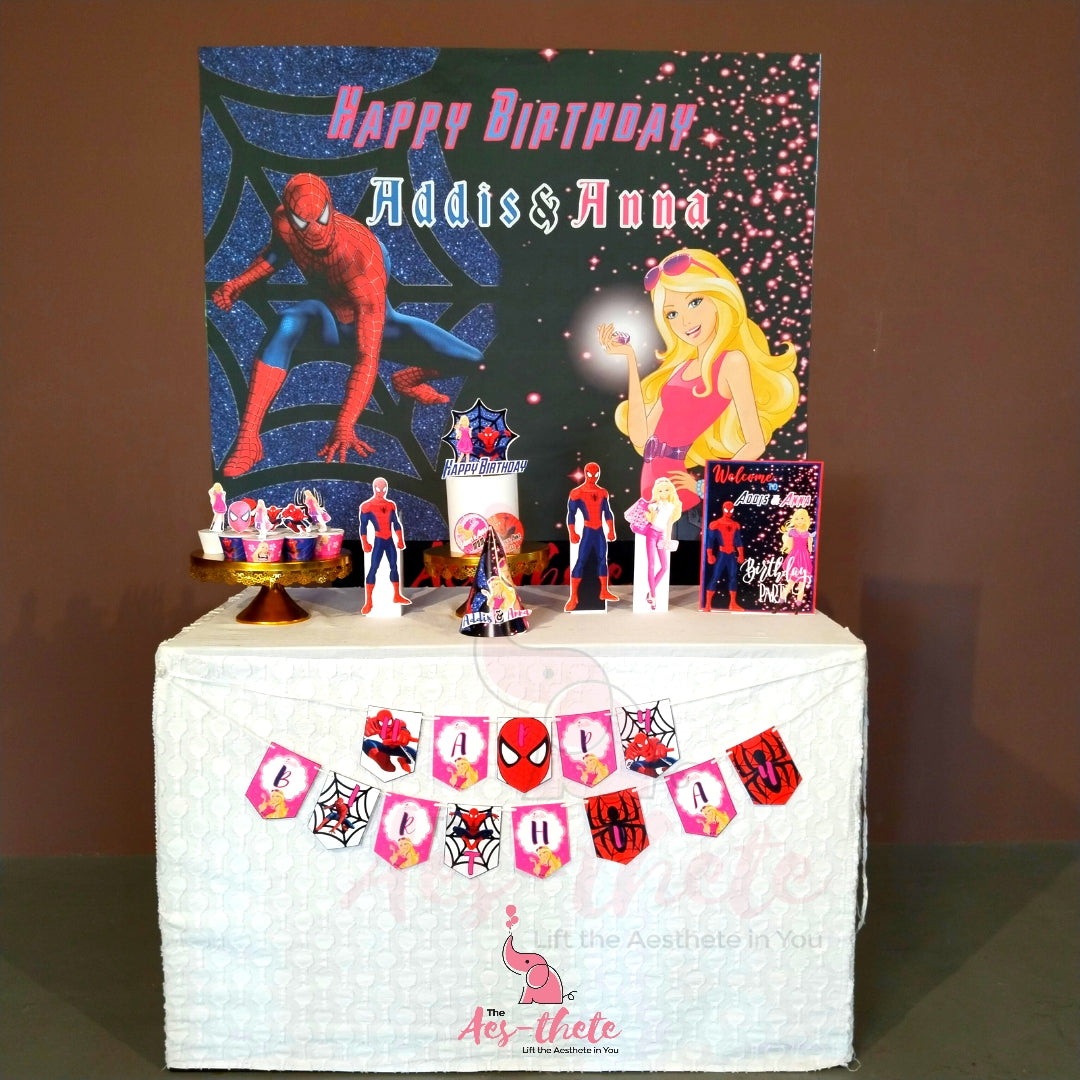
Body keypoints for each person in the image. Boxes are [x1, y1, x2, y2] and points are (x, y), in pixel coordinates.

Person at [211, 172, 482, 478]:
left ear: (331, 206)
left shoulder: (361, 257)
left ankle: (407, 380)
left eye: (321, 218)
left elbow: (367, 357)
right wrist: (239, 283)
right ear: (291, 216)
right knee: (286, 324)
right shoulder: (284, 222)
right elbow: (276, 254)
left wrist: (344, 424)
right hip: (324, 319)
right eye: (303, 223)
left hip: (378, 325)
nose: (315, 232)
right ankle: (248, 438)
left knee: (473, 359)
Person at [599, 248, 798, 512]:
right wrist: (630, 358)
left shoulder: (731, 362)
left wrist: (705, 486)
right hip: (653, 495)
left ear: (719, 297)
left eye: (694, 302)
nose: (685, 321)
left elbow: (755, 443)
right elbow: (642, 436)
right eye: (672, 314)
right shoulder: (681, 368)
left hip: (680, 499)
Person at [564, 461, 619, 611]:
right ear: (585, 473)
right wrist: (572, 532)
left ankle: (604, 591)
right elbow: (571, 514)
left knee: (602, 560)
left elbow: (607, 512)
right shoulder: (577, 493)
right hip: (588, 531)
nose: (593, 476)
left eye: (596, 474)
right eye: (590, 473)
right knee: (580, 562)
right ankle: (573, 596)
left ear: (599, 474)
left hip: (599, 531)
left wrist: (611, 530)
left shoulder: (602, 492)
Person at [358, 476, 410, 614]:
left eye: (383, 489)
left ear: (387, 489)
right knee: (373, 568)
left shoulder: (391, 505)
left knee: (394, 566)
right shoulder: (367, 506)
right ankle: (369, 602)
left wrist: (400, 539)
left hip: (389, 540)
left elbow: (396, 523)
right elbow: (363, 526)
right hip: (379, 540)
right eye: (378, 488)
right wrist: (365, 542)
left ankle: (397, 595)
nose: (381, 491)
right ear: (374, 488)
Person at [643, 477, 682, 609]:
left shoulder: (671, 506)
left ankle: (650, 592)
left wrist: (667, 539)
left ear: (670, 491)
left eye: (666, 490)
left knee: (664, 566)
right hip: (651, 533)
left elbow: (669, 524)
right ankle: (653, 597)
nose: (664, 493)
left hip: (661, 535)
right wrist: (654, 510)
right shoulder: (654, 505)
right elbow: (651, 520)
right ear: (657, 492)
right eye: (661, 491)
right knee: (651, 565)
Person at [703, 500, 745, 611]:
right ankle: (707, 604)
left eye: (731, 509)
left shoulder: (735, 525)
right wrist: (709, 555)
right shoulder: (716, 524)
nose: (729, 511)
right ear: (723, 509)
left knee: (733, 577)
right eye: (727, 509)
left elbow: (738, 541)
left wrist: (741, 554)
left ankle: (732, 604)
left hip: (731, 554)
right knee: (715, 577)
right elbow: (710, 541)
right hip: (722, 554)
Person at [779, 507, 814, 605]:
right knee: (791, 580)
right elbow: (789, 544)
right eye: (797, 518)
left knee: (802, 582)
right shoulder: (792, 532)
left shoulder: (807, 534)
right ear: (794, 519)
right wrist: (786, 547)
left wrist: (810, 542)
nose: (799, 521)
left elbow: (810, 549)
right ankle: (781, 600)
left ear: (805, 520)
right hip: (794, 555)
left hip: (804, 557)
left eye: (802, 518)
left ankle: (798, 604)